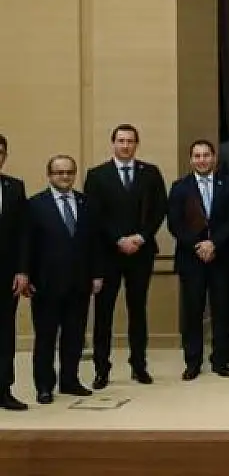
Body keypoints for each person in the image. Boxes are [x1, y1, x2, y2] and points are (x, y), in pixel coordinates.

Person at [85, 124, 167, 389]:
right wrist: (118, 239)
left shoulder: (150, 173)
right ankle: (101, 369)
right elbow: (94, 214)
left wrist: (141, 237)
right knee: (104, 313)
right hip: (108, 254)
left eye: (130, 141)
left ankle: (139, 365)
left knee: (138, 310)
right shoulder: (97, 175)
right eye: (121, 141)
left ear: (136, 144)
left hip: (141, 252)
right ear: (113, 143)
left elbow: (159, 209)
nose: (125, 145)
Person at [27, 155, 102, 404]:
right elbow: (27, 244)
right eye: (59, 173)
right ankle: (44, 386)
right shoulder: (35, 205)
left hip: (79, 282)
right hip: (46, 283)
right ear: (49, 175)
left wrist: (97, 274)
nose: (65, 177)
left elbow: (94, 242)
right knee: (46, 337)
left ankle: (70, 380)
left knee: (74, 335)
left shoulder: (85, 202)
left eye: (69, 172)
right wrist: (27, 275)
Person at [168, 140, 229, 380]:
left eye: (206, 155)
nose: (202, 160)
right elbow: (175, 224)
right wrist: (198, 245)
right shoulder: (180, 187)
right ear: (191, 160)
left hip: (221, 257)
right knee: (193, 312)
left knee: (222, 310)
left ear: (214, 158)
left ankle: (220, 360)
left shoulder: (228, 185)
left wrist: (214, 243)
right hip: (191, 258)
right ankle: (193, 362)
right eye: (197, 156)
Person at [0, 134, 29, 410]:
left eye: (0, 152)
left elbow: (23, 233)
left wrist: (22, 270)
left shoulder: (14, 187)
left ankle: (3, 389)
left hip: (6, 275)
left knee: (5, 334)